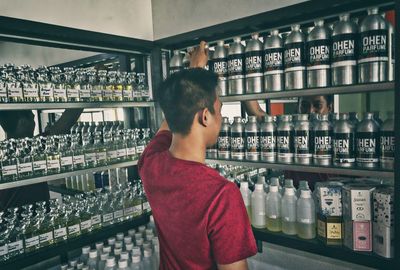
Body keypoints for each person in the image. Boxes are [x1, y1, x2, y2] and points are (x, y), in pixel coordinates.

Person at [138, 42, 257, 270]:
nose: (221, 118)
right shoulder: (221, 194)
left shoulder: (150, 166)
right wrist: (195, 72)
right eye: (220, 110)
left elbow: (174, 113)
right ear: (205, 117)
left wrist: (194, 74)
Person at [0, 108, 83, 210]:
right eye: (31, 116)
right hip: (38, 219)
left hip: (8, 222)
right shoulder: (33, 147)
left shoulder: (3, 153)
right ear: (22, 122)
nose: (34, 118)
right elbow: (67, 120)